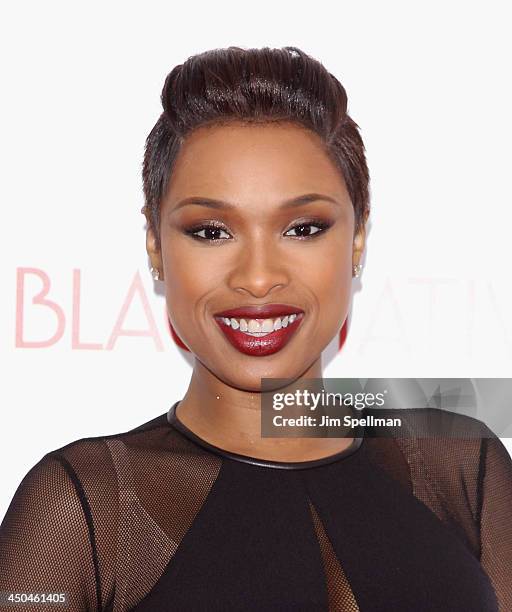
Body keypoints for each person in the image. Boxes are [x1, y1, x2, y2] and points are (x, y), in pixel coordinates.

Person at [1, 46, 511, 612]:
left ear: (357, 240)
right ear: (157, 249)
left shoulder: (462, 461)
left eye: (303, 227)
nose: (259, 278)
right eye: (212, 231)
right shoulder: (90, 505)